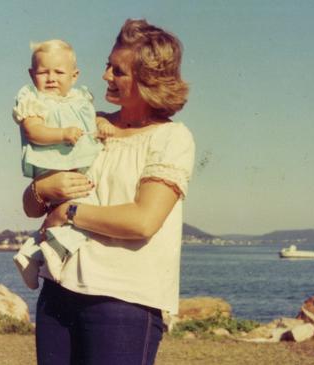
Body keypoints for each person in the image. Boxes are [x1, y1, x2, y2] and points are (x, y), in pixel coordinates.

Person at [22, 19, 194, 365]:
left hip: (123, 303)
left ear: (148, 80)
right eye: (107, 66)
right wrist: (42, 189)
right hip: (58, 293)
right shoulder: (85, 127)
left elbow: (142, 221)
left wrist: (69, 212)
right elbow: (30, 206)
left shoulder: (171, 139)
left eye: (118, 71)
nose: (105, 77)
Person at [12, 39, 119, 290]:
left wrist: (100, 126)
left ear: (74, 75)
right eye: (43, 72)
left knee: (78, 210)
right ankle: (50, 251)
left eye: (59, 72)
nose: (51, 78)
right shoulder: (32, 98)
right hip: (52, 166)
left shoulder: (80, 98)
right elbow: (33, 131)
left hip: (76, 164)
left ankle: (32, 253)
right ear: (31, 74)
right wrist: (61, 134)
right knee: (84, 207)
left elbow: (92, 123)